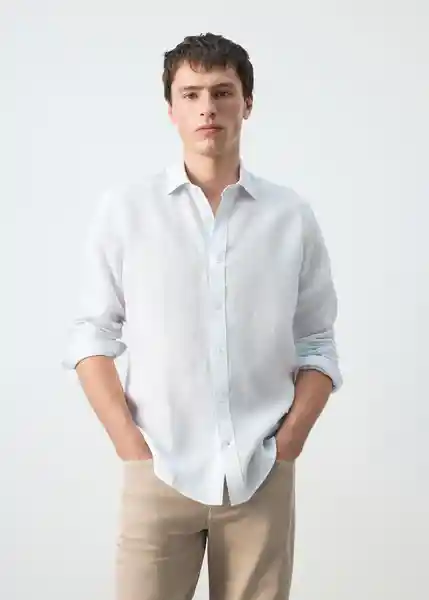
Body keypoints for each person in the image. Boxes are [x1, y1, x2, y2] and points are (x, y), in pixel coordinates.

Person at [62, 32, 342, 600]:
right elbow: (92, 334)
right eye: (190, 94)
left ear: (247, 103)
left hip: (260, 476)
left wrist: (290, 441)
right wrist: (130, 446)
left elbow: (317, 341)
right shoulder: (127, 211)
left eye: (222, 91)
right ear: (171, 109)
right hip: (158, 470)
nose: (206, 107)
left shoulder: (290, 216)